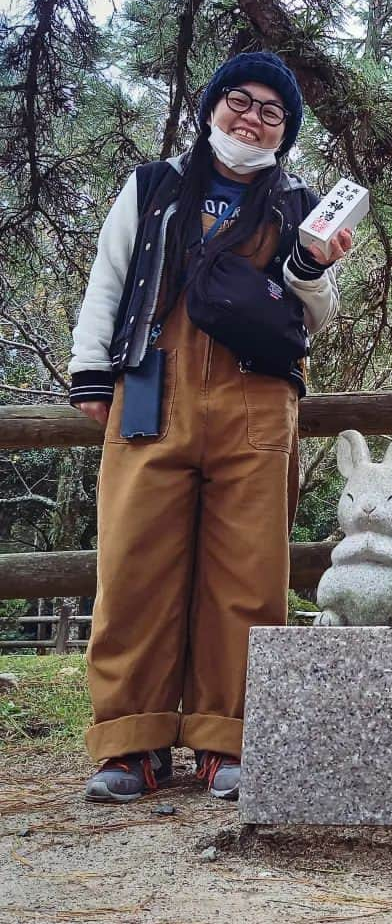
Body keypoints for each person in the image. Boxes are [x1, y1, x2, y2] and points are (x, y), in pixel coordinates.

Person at [69, 52, 352, 802]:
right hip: (150, 387)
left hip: (256, 398)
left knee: (248, 576)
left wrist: (315, 266)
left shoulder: (298, 200)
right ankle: (131, 742)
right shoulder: (155, 186)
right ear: (211, 105)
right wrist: (92, 374)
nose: (251, 118)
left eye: (271, 111)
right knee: (134, 568)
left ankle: (229, 740)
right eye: (240, 100)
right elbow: (110, 276)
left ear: (285, 131)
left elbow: (316, 316)